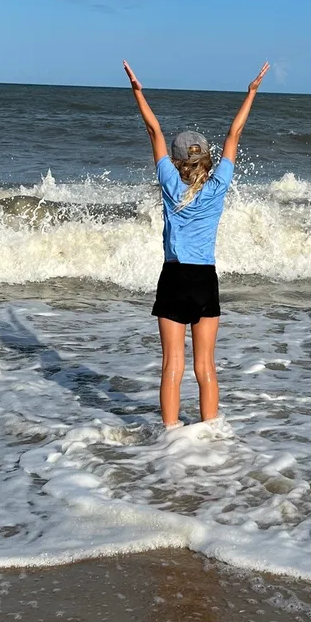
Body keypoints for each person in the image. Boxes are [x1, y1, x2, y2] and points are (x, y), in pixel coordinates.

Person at [122, 59, 270, 428]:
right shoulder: (218, 185)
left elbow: (153, 130)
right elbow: (234, 135)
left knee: (172, 366)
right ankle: (211, 437)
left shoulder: (170, 184)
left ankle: (170, 436)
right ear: (206, 156)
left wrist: (138, 92)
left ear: (175, 159)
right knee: (205, 367)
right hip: (205, 280)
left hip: (173, 279)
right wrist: (251, 93)